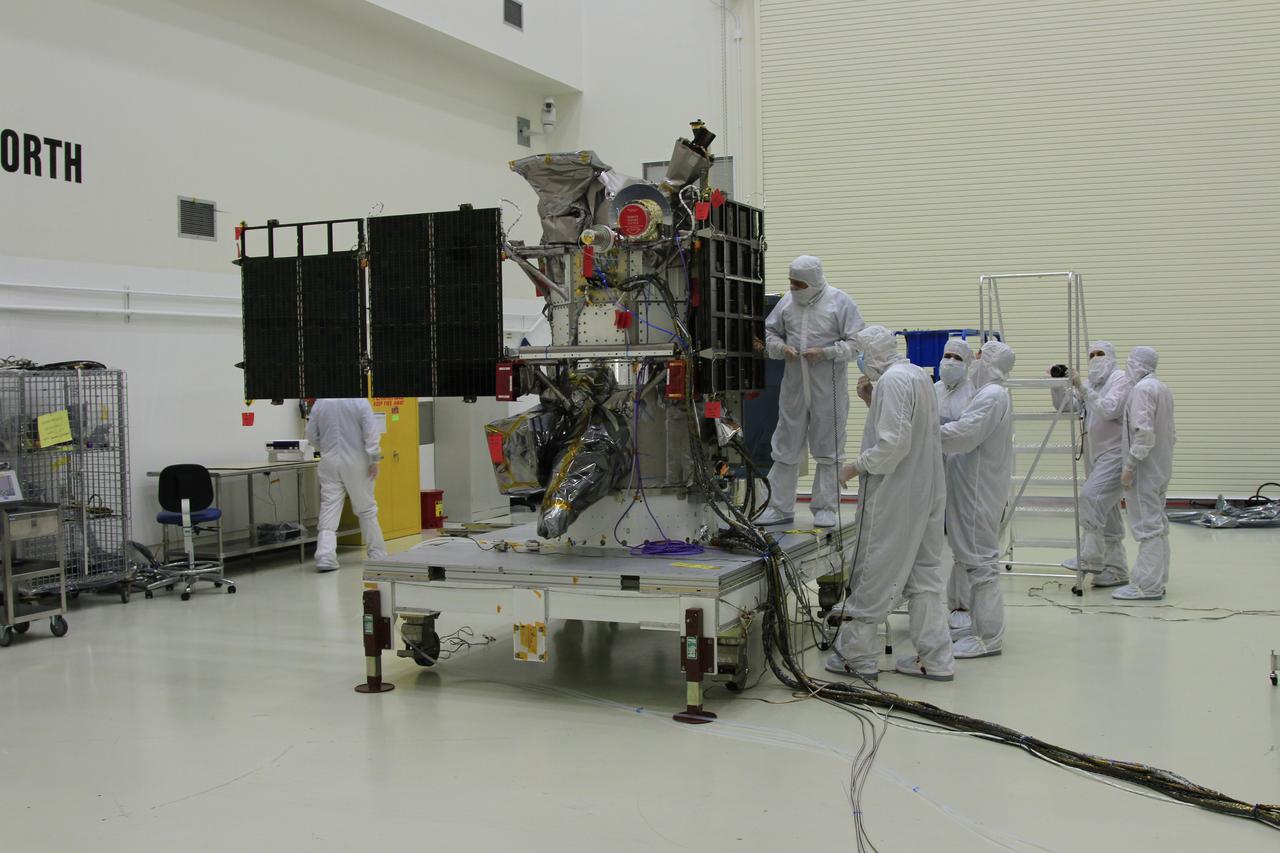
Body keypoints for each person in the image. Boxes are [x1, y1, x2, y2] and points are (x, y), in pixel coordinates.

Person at [826, 325, 954, 682]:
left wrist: (855, 466)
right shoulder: (916, 375)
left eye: (860, 355)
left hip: (894, 494)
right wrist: (873, 401)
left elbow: (892, 445)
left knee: (873, 569)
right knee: (924, 576)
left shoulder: (894, 381)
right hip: (926, 490)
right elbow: (908, 426)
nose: (859, 361)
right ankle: (936, 659)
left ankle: (857, 657)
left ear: (871, 353)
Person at [757, 255, 865, 528]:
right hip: (794, 387)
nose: (793, 288)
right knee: (785, 446)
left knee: (829, 449)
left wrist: (826, 352)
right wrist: (781, 348)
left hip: (827, 388)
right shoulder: (787, 303)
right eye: (791, 282)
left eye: (799, 284)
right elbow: (770, 332)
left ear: (814, 282)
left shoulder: (840, 302)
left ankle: (825, 508)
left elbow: (856, 343)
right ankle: (779, 507)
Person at [939, 341, 1016, 658]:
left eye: (981, 355)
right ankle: (978, 625)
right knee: (970, 558)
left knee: (981, 563)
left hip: (977, 491)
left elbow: (964, 435)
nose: (975, 359)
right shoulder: (987, 393)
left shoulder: (992, 395)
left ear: (991, 363)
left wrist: (924, 433)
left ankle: (988, 637)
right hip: (970, 489)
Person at [1050, 341, 1133, 587]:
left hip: (1116, 453)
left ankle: (1091, 557)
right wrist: (1058, 385)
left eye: (1101, 354)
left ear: (1112, 356)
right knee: (1107, 511)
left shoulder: (1120, 379)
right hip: (1096, 455)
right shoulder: (1091, 383)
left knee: (1091, 497)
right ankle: (1116, 570)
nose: (1096, 358)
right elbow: (1068, 407)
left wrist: (1082, 387)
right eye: (1092, 355)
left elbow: (1110, 409)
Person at [1113, 346, 1175, 600]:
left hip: (1144, 469)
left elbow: (1144, 433)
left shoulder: (1142, 389)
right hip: (1160, 467)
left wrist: (1129, 466)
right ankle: (1157, 579)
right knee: (1158, 525)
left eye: (1130, 362)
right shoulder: (1161, 387)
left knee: (1147, 527)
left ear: (1138, 364)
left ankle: (1147, 586)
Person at [305, 398, 387, 572]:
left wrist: (325, 448)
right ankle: (377, 554)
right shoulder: (359, 402)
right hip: (358, 462)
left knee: (329, 507)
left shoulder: (321, 403)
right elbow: (371, 432)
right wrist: (374, 458)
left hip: (329, 461)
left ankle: (325, 557)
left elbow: (311, 434)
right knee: (366, 509)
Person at [935, 338, 977, 632]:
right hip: (933, 470)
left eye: (957, 358)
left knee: (962, 539)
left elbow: (968, 434)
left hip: (963, 472)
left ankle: (961, 604)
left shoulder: (974, 393)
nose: (949, 362)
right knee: (926, 537)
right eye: (947, 356)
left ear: (968, 364)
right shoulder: (933, 389)